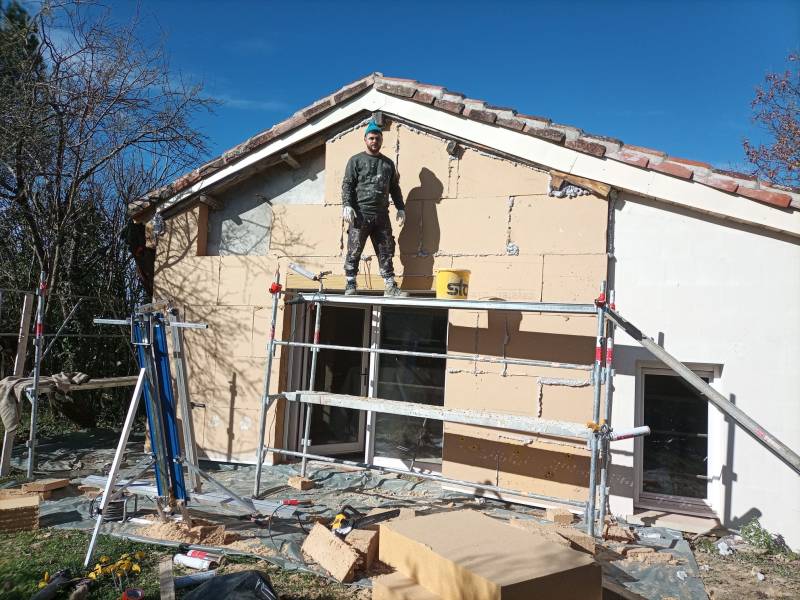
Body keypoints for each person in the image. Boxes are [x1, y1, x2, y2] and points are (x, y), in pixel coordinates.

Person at [341, 121, 408, 297]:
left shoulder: (388, 164)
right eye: (371, 138)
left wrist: (400, 207)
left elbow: (394, 188)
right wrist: (347, 204)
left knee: (386, 249)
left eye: (377, 138)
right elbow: (348, 184)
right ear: (365, 139)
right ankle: (350, 284)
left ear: (381, 140)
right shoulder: (356, 161)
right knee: (354, 249)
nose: (374, 141)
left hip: (381, 215)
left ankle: (390, 286)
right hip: (360, 213)